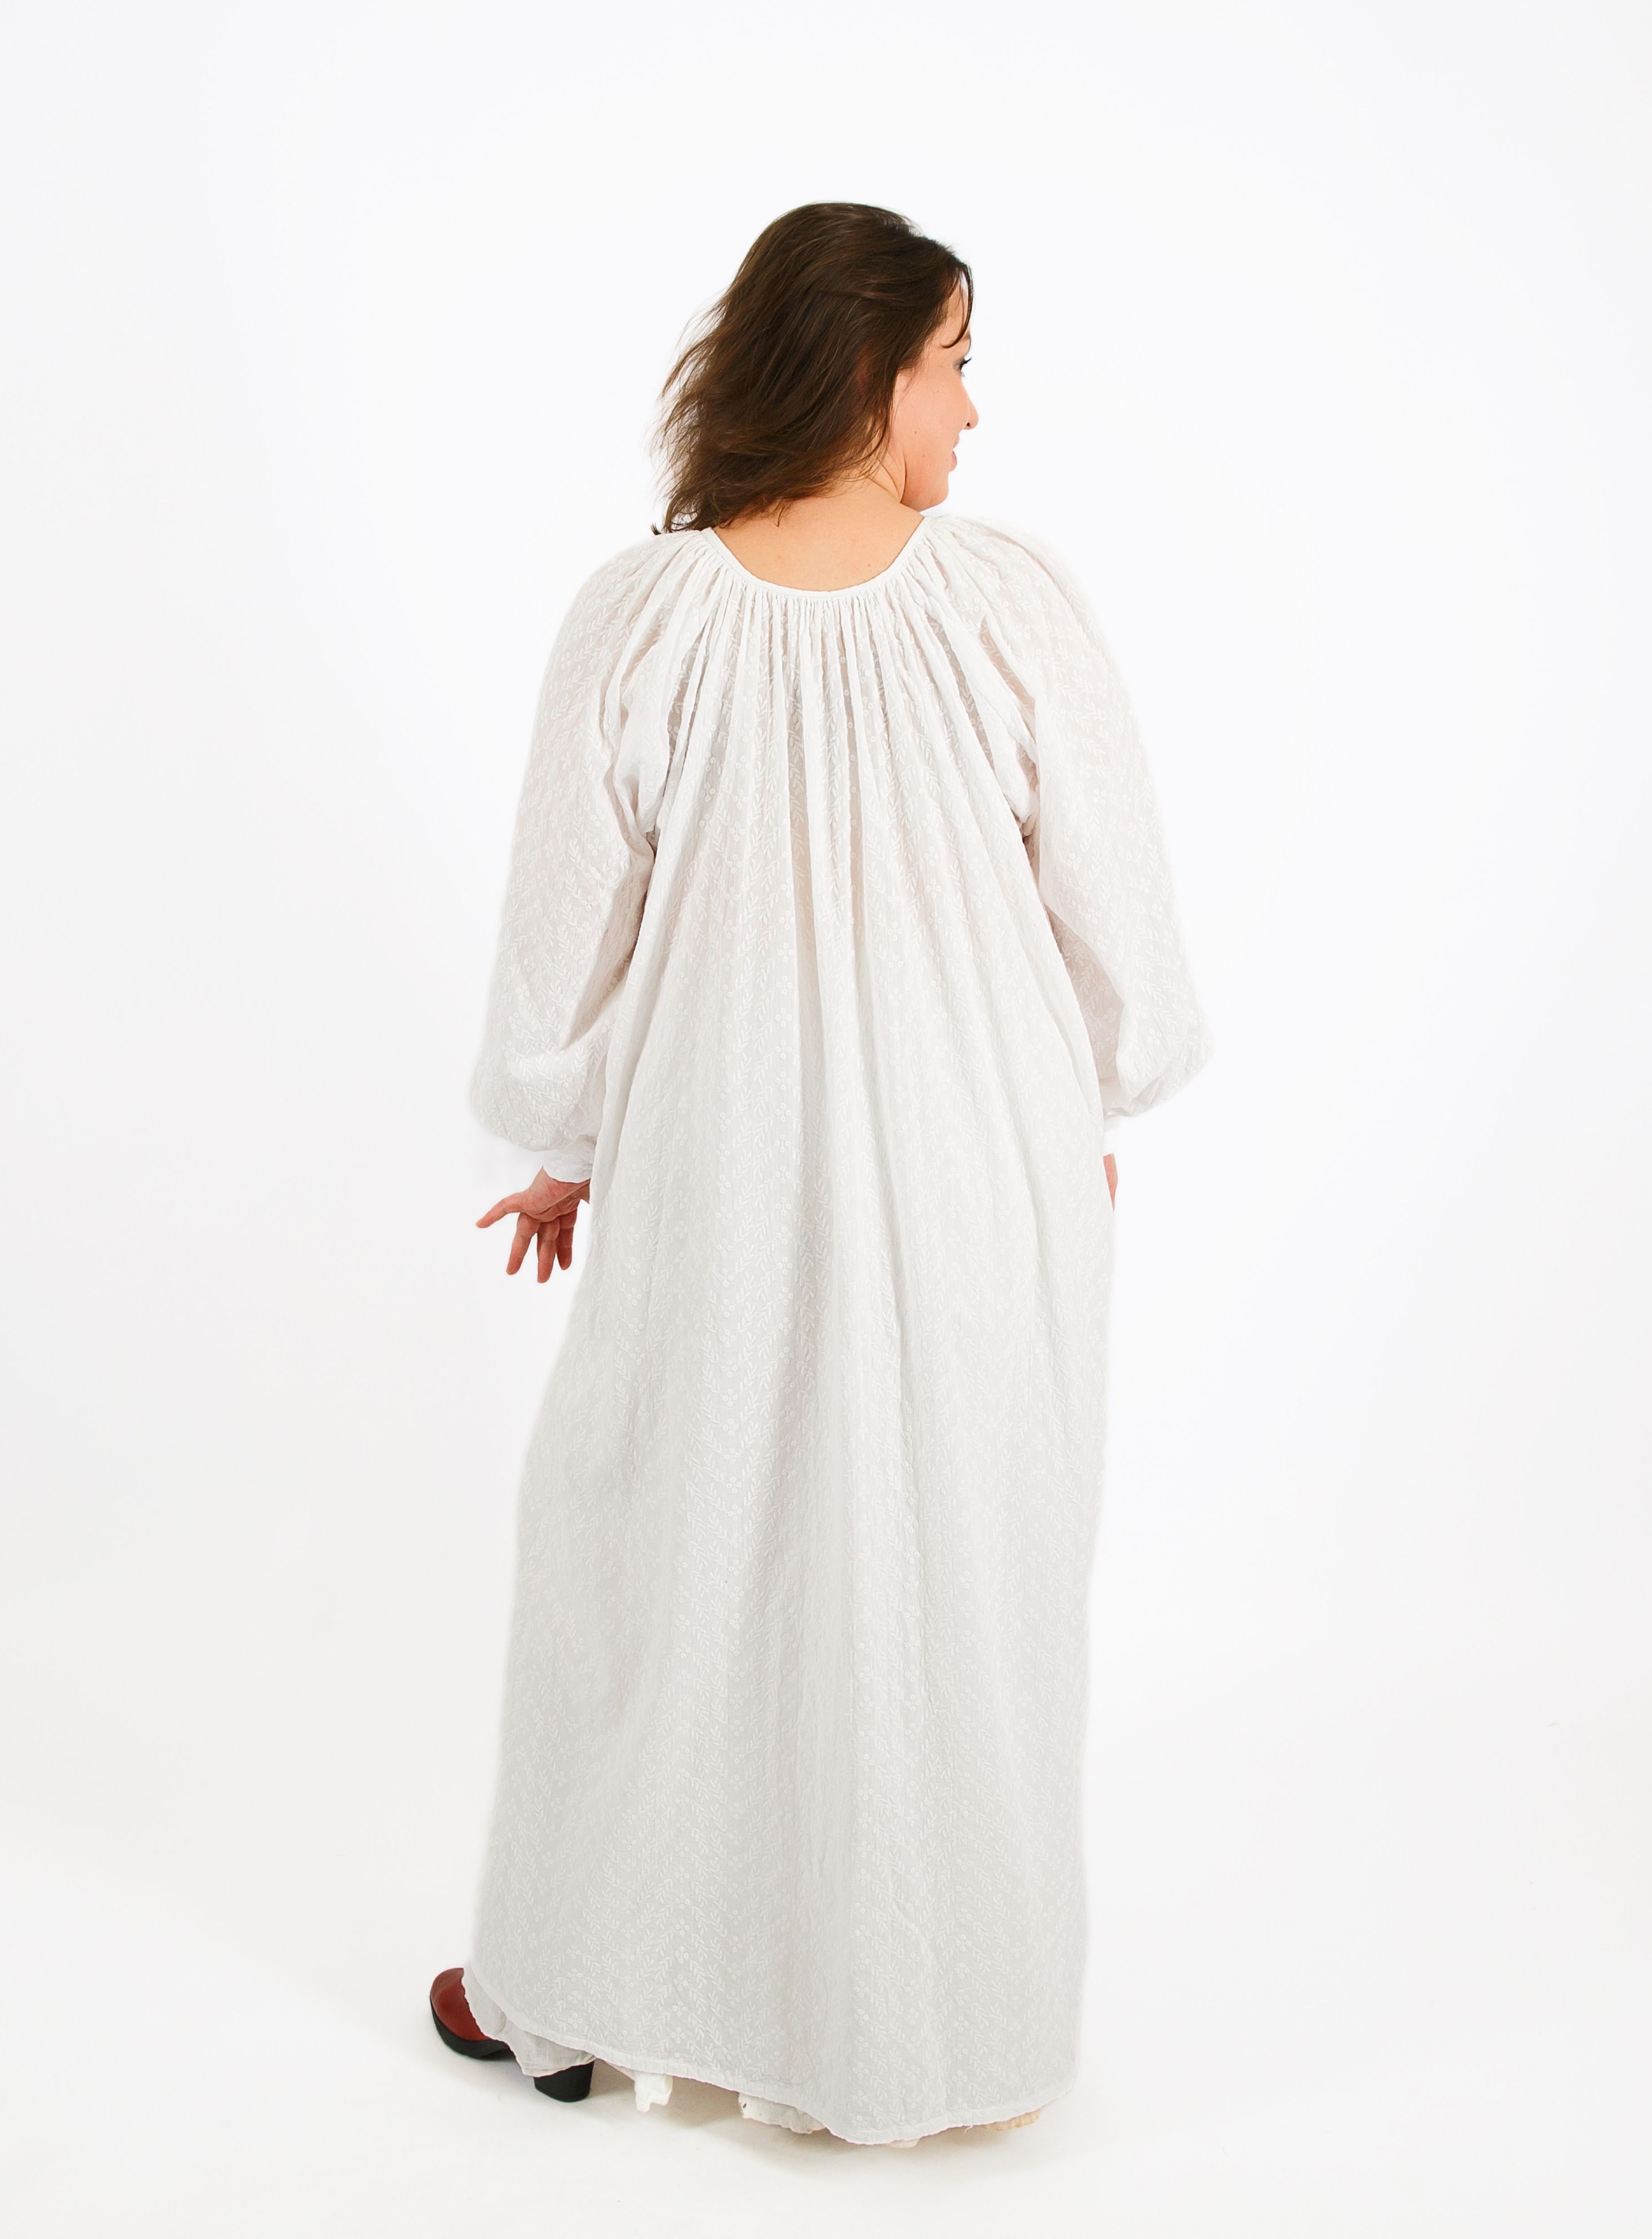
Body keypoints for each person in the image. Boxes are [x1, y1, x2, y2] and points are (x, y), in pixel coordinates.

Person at [429, 202, 1213, 2149]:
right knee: (950, 1579)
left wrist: (569, 1140)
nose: (974, 408)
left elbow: (564, 946)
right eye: (955, 362)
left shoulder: (646, 619)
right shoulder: (1006, 607)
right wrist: (1079, 1114)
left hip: (720, 1172)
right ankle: (927, 2032)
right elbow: (1119, 926)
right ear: (866, 374)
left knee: (666, 1567)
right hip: (983, 1176)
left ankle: (573, 1995)